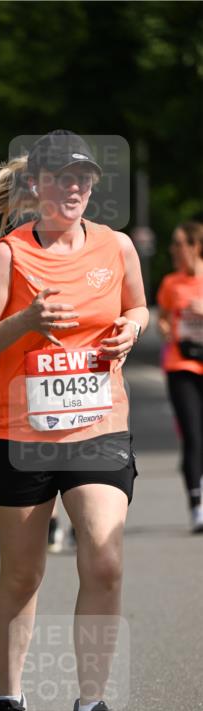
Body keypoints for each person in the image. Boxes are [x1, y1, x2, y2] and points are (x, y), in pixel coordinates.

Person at [0, 130, 149, 711]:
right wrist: (26, 323)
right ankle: (9, 701)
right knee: (23, 573)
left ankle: (90, 710)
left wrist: (130, 330)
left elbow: (139, 307)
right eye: (61, 177)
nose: (73, 188)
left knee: (104, 558)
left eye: (83, 178)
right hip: (20, 435)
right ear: (35, 184)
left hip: (98, 425)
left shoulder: (116, 247)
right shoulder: (8, 258)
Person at [156, 220, 203, 532]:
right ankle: (197, 503)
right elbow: (161, 319)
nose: (173, 249)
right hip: (181, 365)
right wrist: (165, 330)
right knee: (193, 435)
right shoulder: (171, 283)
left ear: (195, 245)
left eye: (178, 243)